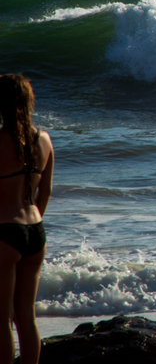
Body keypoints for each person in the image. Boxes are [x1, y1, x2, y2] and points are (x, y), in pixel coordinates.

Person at [0, 75, 54, 364]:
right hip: (35, 231)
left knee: (1, 319)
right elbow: (45, 192)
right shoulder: (43, 139)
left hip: (4, 232)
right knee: (26, 317)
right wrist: (32, 223)